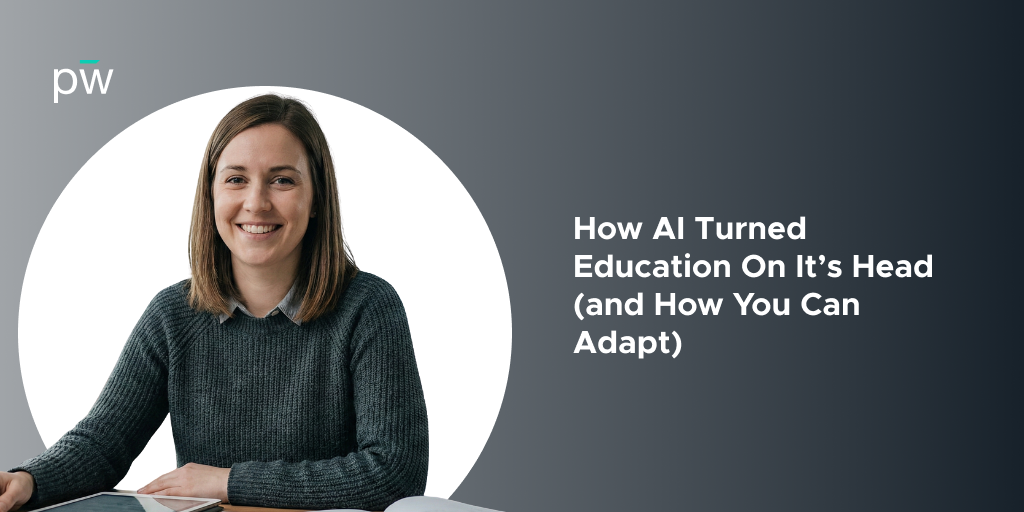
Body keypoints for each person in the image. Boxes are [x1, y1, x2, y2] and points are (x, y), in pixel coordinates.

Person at [0, 94, 429, 512]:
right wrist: (30, 480)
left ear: (316, 198)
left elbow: (394, 474)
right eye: (236, 179)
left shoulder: (367, 307)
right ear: (211, 195)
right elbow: (103, 443)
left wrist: (227, 481)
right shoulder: (173, 315)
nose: (256, 202)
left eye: (282, 180)